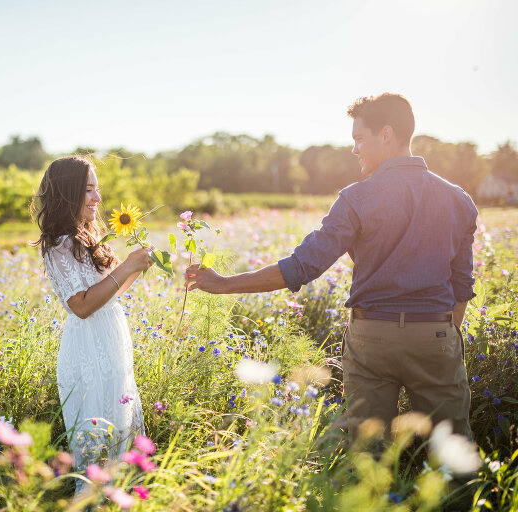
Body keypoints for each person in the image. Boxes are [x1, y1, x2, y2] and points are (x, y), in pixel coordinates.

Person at [185, 93, 477, 439]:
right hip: (436, 334)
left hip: (372, 340)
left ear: (386, 134)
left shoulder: (357, 198)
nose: (355, 149)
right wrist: (440, 336)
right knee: (452, 450)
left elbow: (302, 266)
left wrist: (225, 283)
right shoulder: (458, 199)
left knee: (369, 454)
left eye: (359, 139)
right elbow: (462, 286)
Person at [32, 156, 152, 488]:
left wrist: (136, 267)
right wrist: (126, 267)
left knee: (118, 430)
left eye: (97, 189)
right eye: (88, 190)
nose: (98, 198)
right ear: (68, 193)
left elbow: (107, 294)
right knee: (97, 439)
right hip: (88, 352)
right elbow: (82, 307)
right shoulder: (59, 245)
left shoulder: (85, 238)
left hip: (110, 343)